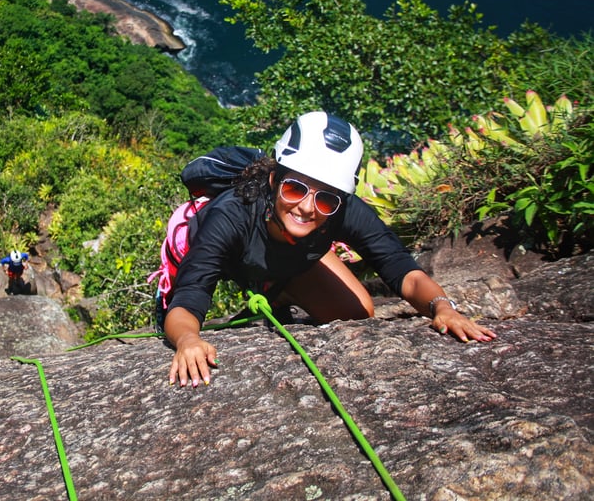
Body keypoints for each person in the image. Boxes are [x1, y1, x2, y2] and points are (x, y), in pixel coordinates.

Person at [164, 111, 497, 388]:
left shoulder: (342, 209)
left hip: (288, 254)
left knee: (357, 314)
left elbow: (399, 267)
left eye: (325, 198)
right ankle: (279, 281)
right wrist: (187, 340)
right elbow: (189, 297)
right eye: (295, 188)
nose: (308, 207)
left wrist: (442, 307)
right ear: (273, 181)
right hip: (226, 254)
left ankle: (281, 291)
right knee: (181, 315)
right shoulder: (231, 216)